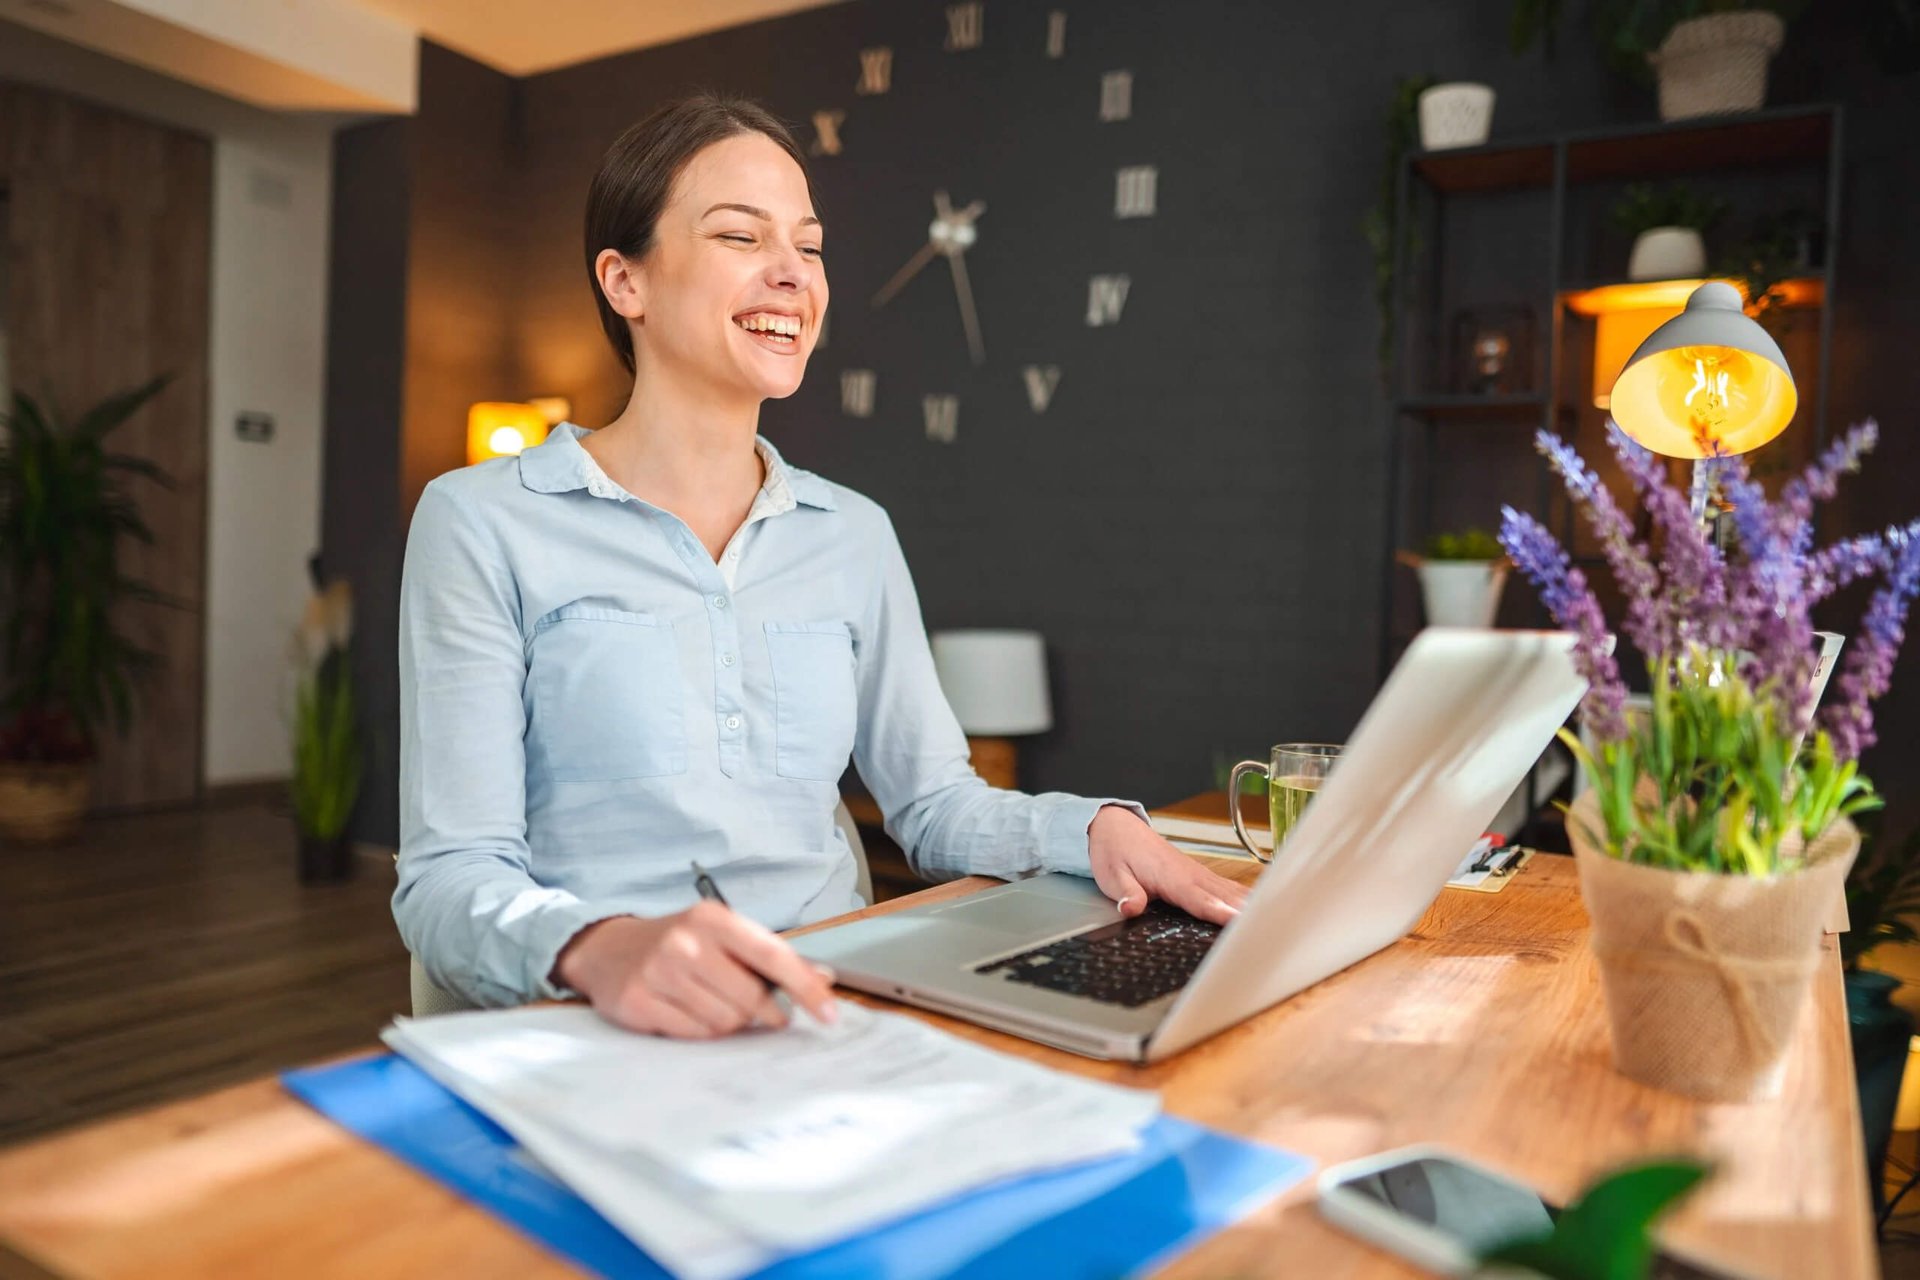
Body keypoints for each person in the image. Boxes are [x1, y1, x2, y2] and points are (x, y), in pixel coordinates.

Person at [393, 95, 1247, 1041]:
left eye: (810, 245)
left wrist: (1088, 830)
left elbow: (932, 804)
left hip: (834, 1010)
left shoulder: (854, 532)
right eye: (740, 236)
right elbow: (449, 877)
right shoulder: (480, 520)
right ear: (624, 281)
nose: (792, 275)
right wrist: (598, 946)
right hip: (601, 1027)